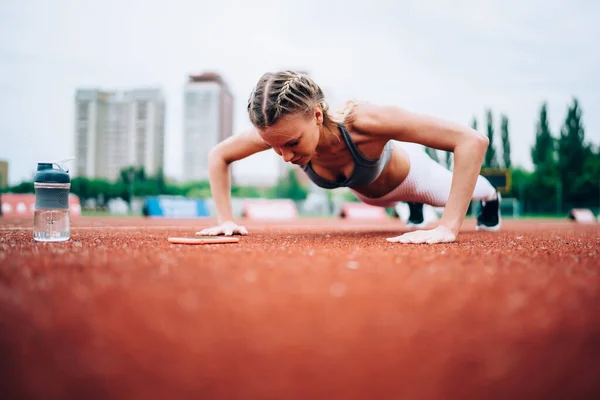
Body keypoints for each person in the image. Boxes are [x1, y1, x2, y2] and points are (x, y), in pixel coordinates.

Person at [197, 71, 500, 244]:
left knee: (473, 192)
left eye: (292, 144)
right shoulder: (279, 132)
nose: (286, 156)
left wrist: (448, 227)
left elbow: (472, 141)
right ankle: (413, 209)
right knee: (394, 205)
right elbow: (219, 155)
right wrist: (225, 220)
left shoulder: (366, 122)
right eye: (274, 146)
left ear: (317, 114)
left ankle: (490, 198)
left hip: (413, 180)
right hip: (368, 193)